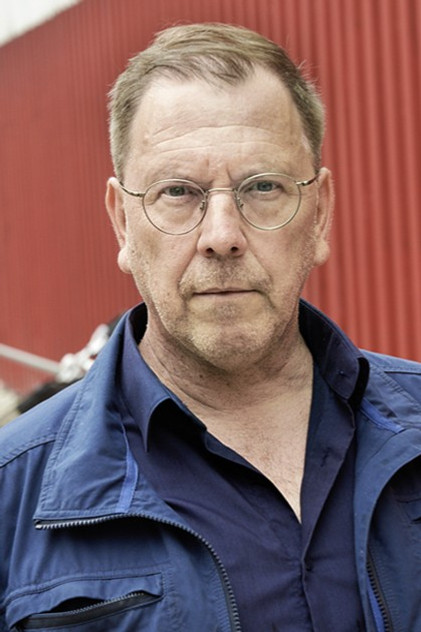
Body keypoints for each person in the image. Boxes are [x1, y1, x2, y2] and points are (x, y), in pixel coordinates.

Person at [0, 22, 420, 632]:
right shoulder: (12, 497)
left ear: (320, 213)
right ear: (122, 223)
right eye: (178, 192)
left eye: (263, 187)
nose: (222, 236)